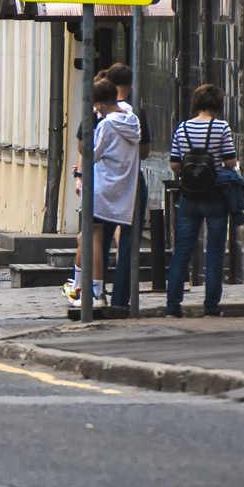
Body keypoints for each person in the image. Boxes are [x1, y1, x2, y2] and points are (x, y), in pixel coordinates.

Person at [166, 84, 240, 317]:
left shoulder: (182, 127)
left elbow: (175, 164)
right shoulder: (221, 127)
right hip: (215, 196)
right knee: (215, 253)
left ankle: (173, 306)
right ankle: (211, 307)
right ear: (218, 104)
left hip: (188, 197)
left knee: (182, 252)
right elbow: (230, 162)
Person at [82, 79, 141, 317]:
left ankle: (95, 292)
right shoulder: (132, 119)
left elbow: (92, 154)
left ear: (98, 103)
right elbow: (125, 109)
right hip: (125, 189)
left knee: (93, 239)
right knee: (121, 242)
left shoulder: (105, 125)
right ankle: (116, 297)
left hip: (102, 189)